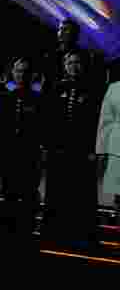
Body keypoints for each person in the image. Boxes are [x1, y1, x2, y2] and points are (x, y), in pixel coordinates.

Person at [43, 50, 102, 246]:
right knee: (58, 191)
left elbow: (96, 122)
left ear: (82, 65)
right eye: (70, 63)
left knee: (82, 194)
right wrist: (48, 146)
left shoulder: (93, 89)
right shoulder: (56, 87)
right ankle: (55, 233)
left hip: (82, 151)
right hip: (59, 150)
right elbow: (49, 120)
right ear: (64, 65)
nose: (73, 66)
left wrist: (95, 150)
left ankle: (85, 235)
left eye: (77, 63)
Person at [0, 57, 45, 239]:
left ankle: (28, 230)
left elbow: (42, 128)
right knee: (9, 193)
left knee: (29, 194)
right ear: (12, 73)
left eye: (25, 71)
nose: (21, 75)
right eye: (18, 71)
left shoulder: (38, 99)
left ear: (31, 75)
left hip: (29, 154)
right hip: (7, 153)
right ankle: (9, 231)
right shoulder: (3, 97)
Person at [96, 79, 120, 222]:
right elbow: (106, 121)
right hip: (117, 149)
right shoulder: (114, 87)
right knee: (119, 195)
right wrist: (102, 151)